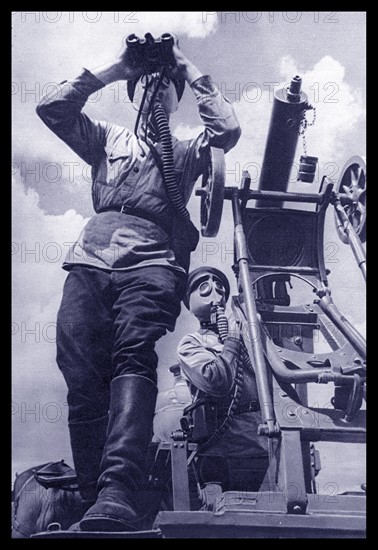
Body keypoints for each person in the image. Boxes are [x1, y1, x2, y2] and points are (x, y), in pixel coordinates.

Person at [36, 34, 241, 532]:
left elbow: (229, 129)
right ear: (131, 92)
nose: (155, 91)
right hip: (91, 257)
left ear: (176, 97)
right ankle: (92, 489)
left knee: (133, 355)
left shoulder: (189, 149)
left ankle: (118, 487)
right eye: (147, 85)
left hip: (153, 260)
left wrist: (185, 66)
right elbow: (51, 108)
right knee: (81, 370)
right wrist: (117, 67)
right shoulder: (106, 137)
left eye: (164, 86)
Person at [177, 267, 269, 505]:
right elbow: (216, 381)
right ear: (189, 302)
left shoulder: (247, 335)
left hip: (260, 446)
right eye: (203, 287)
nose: (215, 293)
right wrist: (232, 340)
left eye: (220, 287)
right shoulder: (191, 343)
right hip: (220, 454)